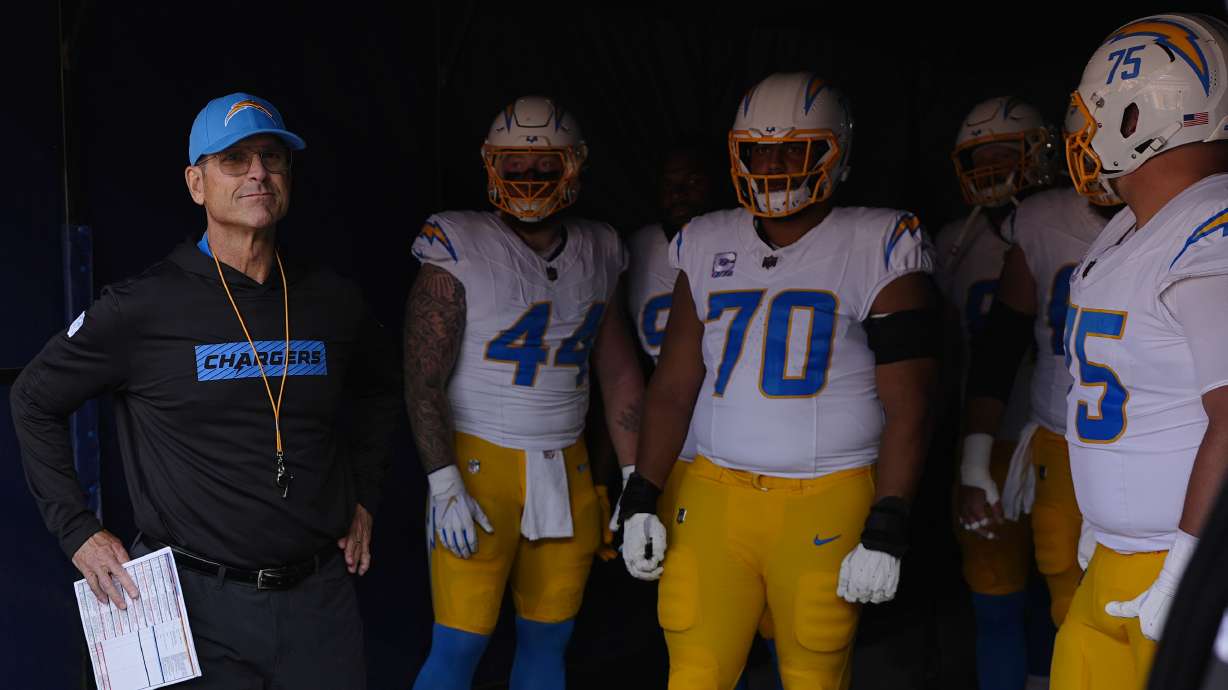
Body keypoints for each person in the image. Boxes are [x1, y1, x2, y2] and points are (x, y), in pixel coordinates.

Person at [10, 92, 400, 689]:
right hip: (195, 608)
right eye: (234, 159)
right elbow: (32, 398)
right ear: (197, 183)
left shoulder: (332, 300)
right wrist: (78, 531)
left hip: (319, 601)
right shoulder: (142, 307)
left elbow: (380, 388)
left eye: (272, 157)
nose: (258, 173)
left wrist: (366, 493)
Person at [616, 71, 939, 688]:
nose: (775, 166)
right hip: (712, 490)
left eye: (795, 148)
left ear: (834, 153)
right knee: (694, 670)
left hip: (829, 491)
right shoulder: (705, 239)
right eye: (760, 151)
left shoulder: (879, 241)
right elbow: (675, 383)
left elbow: (912, 402)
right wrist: (642, 494)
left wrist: (890, 519)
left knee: (813, 671)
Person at [405, 95, 644, 690]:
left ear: (575, 166)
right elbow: (422, 376)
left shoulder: (601, 247)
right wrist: (442, 478)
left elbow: (617, 372)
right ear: (492, 165)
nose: (531, 177)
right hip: (479, 464)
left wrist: (637, 475)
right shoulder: (457, 241)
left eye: (545, 165)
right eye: (516, 165)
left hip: (567, 463)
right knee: (458, 646)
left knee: (549, 643)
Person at [1054, 12, 1228, 688]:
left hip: (1187, 573)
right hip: (1117, 561)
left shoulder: (1209, 226)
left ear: (1136, 115)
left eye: (1093, 115)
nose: (1082, 135)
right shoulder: (1134, 224)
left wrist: (1188, 564)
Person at [936, 95, 1052, 690]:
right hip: (988, 435)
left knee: (1061, 590)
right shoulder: (955, 243)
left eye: (1005, 154)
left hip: (1060, 436)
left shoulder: (1074, 222)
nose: (990, 168)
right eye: (979, 158)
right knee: (996, 599)